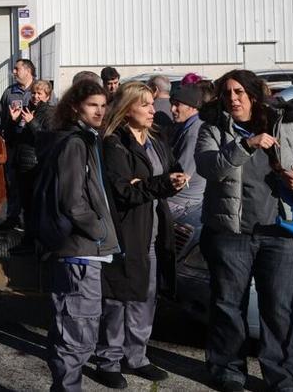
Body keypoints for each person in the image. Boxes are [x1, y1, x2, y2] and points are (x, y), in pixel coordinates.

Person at [195, 70, 293, 392]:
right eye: (227, 93)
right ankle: (227, 370)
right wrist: (246, 144)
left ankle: (283, 378)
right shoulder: (213, 129)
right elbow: (209, 166)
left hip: (279, 232)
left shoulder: (285, 126)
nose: (233, 99)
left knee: (281, 309)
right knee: (228, 305)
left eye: (239, 92)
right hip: (230, 232)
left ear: (253, 94)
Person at [89, 82, 188, 388]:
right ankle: (108, 359)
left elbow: (171, 168)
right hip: (128, 229)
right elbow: (122, 191)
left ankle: (138, 356)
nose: (151, 110)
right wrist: (159, 185)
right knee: (119, 297)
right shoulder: (114, 141)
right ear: (127, 108)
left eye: (152, 104)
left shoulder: (156, 138)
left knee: (146, 295)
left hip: (155, 230)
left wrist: (175, 178)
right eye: (144, 104)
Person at [42, 80, 120, 392]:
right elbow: (72, 201)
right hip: (80, 251)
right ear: (76, 107)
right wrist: (99, 231)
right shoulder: (75, 143)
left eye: (103, 105)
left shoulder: (86, 138)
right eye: (92, 105)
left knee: (79, 328)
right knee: (75, 331)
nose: (100, 111)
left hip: (86, 249)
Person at [8, 79, 56, 255]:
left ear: (47, 96)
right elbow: (15, 137)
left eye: (40, 94)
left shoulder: (49, 113)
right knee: (26, 205)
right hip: (22, 162)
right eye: (34, 93)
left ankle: (34, 242)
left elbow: (47, 139)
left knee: (34, 206)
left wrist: (31, 122)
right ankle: (29, 240)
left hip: (35, 165)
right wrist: (13, 121)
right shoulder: (28, 109)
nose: (35, 96)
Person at [0, 58, 36, 231]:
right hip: (13, 143)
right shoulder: (9, 92)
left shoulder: (39, 90)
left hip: (32, 145)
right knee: (12, 182)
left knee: (31, 182)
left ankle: (32, 219)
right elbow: (0, 117)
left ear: (27, 70)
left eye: (17, 69)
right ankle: (12, 217)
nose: (14, 72)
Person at [166, 84, 209, 221]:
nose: (172, 109)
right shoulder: (188, 126)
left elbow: (181, 177)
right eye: (172, 104)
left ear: (192, 107)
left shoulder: (193, 133)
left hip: (183, 202)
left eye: (177, 105)